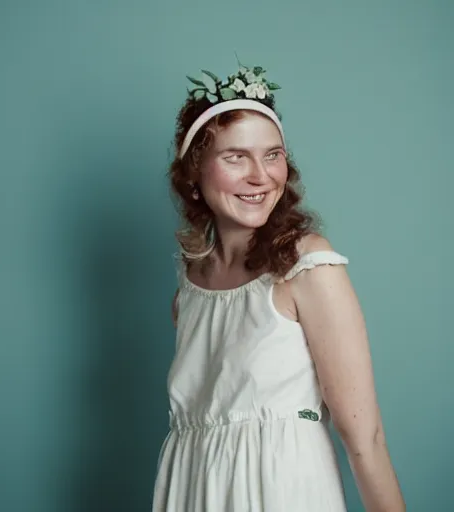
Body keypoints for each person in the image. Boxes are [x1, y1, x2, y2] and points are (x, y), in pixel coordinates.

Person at [152, 61, 405, 511]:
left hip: (280, 492)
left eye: (272, 154)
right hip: (195, 493)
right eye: (236, 157)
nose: (261, 175)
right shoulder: (188, 292)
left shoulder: (307, 268)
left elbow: (366, 439)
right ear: (194, 175)